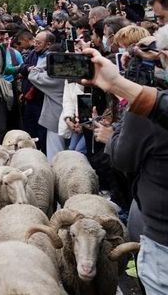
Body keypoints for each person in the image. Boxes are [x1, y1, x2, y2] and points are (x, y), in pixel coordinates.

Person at [81, 33, 168, 295]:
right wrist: (119, 84)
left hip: (162, 242)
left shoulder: (144, 118)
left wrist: (112, 136)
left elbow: (123, 158)